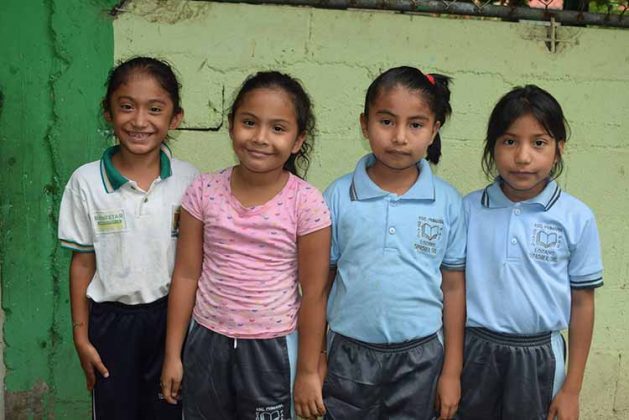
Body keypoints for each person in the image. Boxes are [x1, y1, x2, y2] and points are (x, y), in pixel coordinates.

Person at [160, 71, 331, 420]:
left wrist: (308, 371)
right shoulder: (203, 190)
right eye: (250, 122)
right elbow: (186, 275)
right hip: (206, 341)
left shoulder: (307, 203)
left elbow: (314, 294)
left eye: (278, 128)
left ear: (298, 140)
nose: (261, 138)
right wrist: (173, 354)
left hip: (272, 349)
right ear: (231, 126)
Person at [58, 56, 199, 419]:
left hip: (173, 319)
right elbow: (82, 262)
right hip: (111, 324)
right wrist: (80, 335)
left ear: (175, 118)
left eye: (155, 109)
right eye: (126, 107)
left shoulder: (191, 181)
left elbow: (195, 264)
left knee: (170, 410)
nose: (139, 121)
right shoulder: (86, 182)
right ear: (108, 112)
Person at [322, 66, 466, 420]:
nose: (400, 137)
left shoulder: (448, 202)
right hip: (348, 354)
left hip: (420, 358)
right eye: (386, 121)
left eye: (415, 124)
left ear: (434, 130)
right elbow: (318, 287)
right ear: (364, 123)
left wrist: (451, 372)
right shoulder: (339, 196)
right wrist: (313, 361)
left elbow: (454, 289)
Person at [458, 85, 603, 420]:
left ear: (559, 149)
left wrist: (572, 389)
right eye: (510, 141)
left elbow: (582, 303)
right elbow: (450, 289)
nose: (523, 157)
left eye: (539, 143)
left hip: (539, 356)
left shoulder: (576, 217)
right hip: (474, 351)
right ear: (493, 147)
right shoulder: (468, 210)